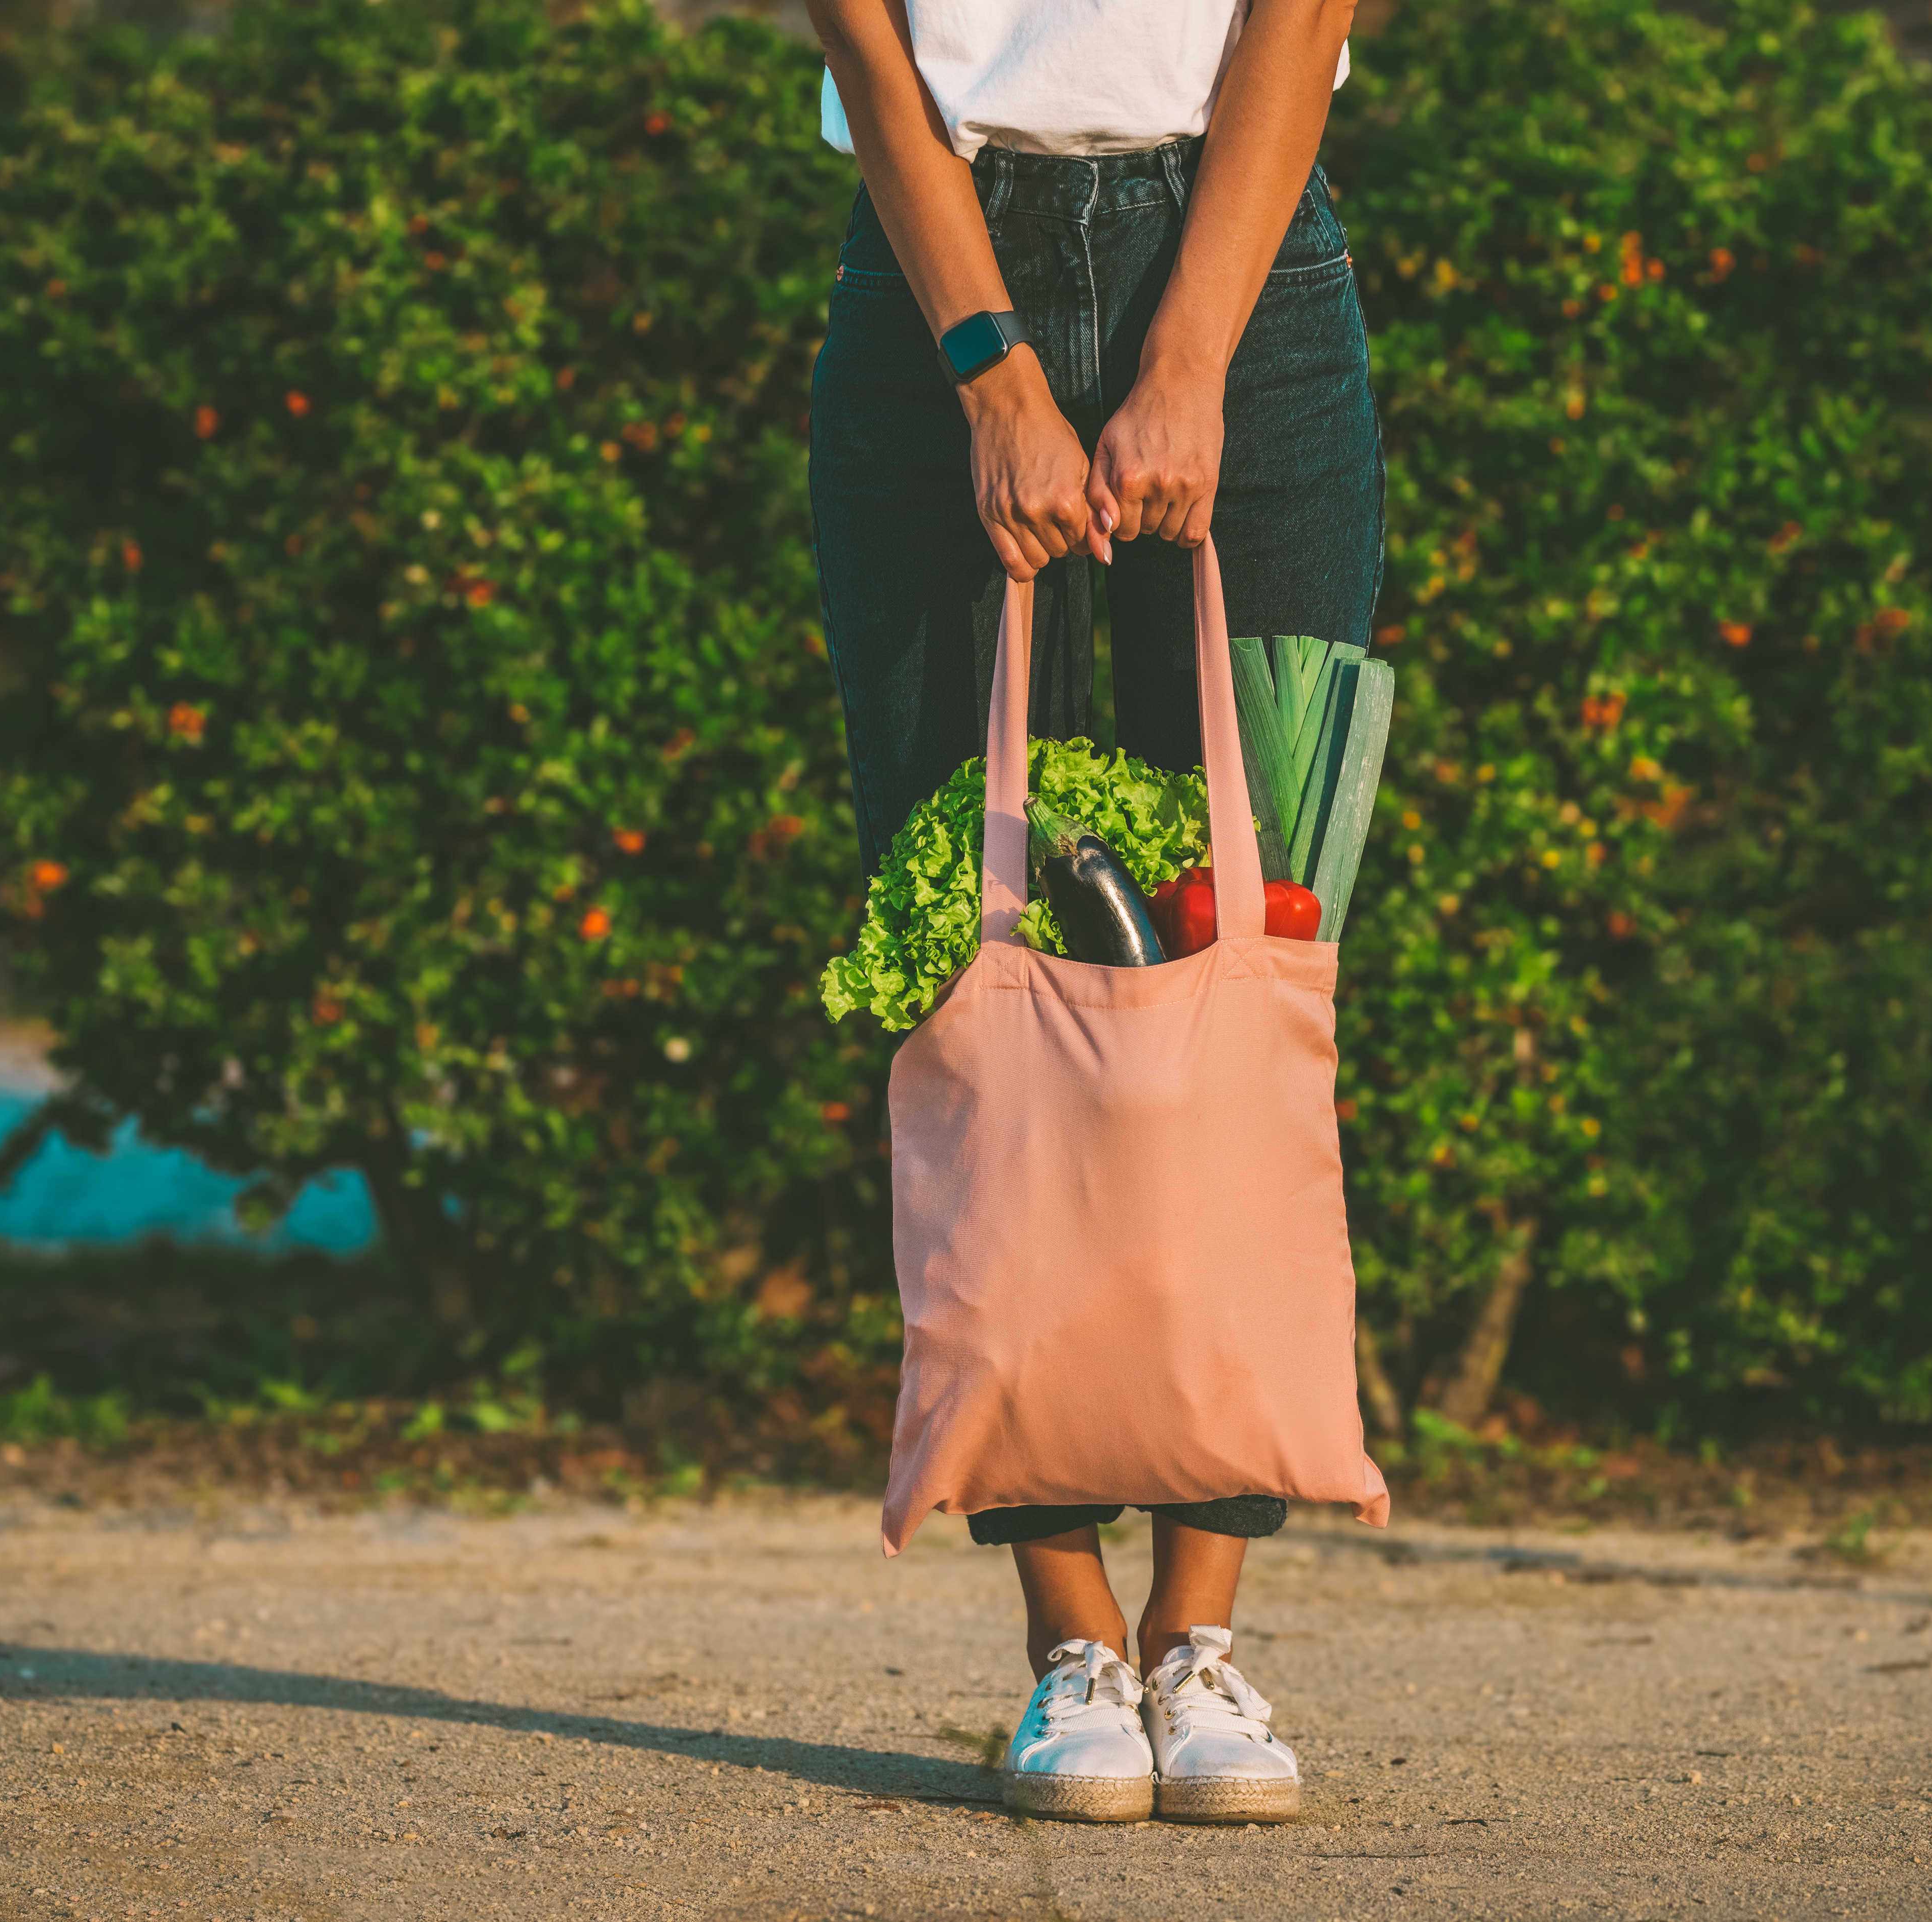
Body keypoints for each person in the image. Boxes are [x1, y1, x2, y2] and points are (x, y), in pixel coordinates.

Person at [806, 0, 1382, 1826]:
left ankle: (1199, 1636)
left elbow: (1298, 17)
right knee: (968, 962)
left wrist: (1189, 359)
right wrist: (991, 373)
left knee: (1254, 930)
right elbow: (870, 47)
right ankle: (1070, 1638)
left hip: (1248, 278)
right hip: (933, 290)